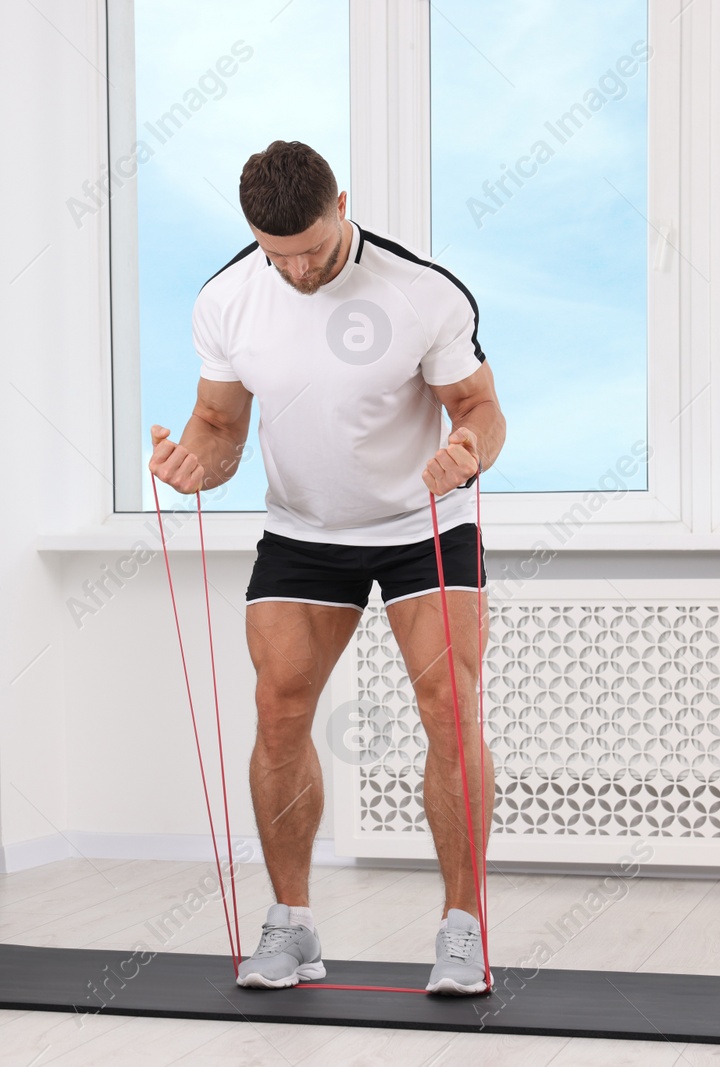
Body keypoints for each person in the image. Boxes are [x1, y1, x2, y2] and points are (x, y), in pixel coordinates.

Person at [148, 140, 507, 995]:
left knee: (448, 709)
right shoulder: (228, 299)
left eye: (312, 247)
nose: (300, 270)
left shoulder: (421, 292)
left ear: (342, 204)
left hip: (425, 517)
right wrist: (194, 460)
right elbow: (219, 427)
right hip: (306, 527)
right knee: (278, 710)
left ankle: (463, 928)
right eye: (280, 256)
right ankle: (293, 925)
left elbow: (481, 408)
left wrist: (467, 450)